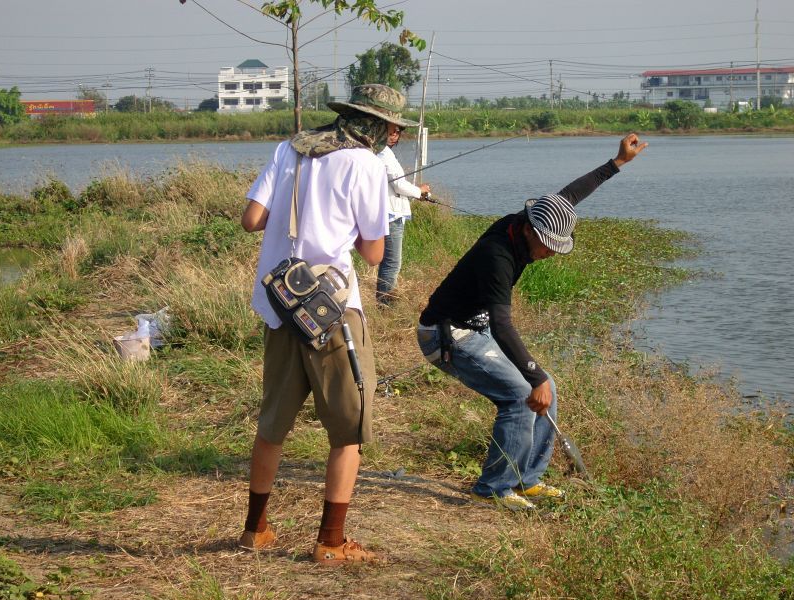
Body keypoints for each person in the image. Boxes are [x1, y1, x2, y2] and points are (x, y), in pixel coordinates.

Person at [416, 133, 648, 511]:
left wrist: (616, 162)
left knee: (547, 388)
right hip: (447, 336)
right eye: (546, 245)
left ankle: (527, 481)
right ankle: (492, 489)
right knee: (521, 397)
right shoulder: (498, 256)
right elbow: (503, 324)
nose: (548, 253)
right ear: (528, 230)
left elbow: (570, 195)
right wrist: (533, 376)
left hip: (475, 328)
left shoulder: (535, 220)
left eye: (556, 247)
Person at [239, 84, 416, 563]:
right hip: (330, 311)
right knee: (349, 427)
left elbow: (251, 218)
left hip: (279, 305)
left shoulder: (289, 148)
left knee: (273, 421)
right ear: (377, 126)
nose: (394, 136)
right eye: (394, 128)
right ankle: (331, 542)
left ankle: (256, 529)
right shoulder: (366, 165)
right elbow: (375, 253)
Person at [375, 125, 430, 305]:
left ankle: (384, 302)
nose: (393, 136)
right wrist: (419, 191)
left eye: (397, 132)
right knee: (392, 263)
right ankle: (385, 305)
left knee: (389, 262)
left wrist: (416, 192)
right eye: (389, 132)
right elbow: (399, 185)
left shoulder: (381, 152)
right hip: (391, 215)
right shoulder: (382, 153)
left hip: (389, 212)